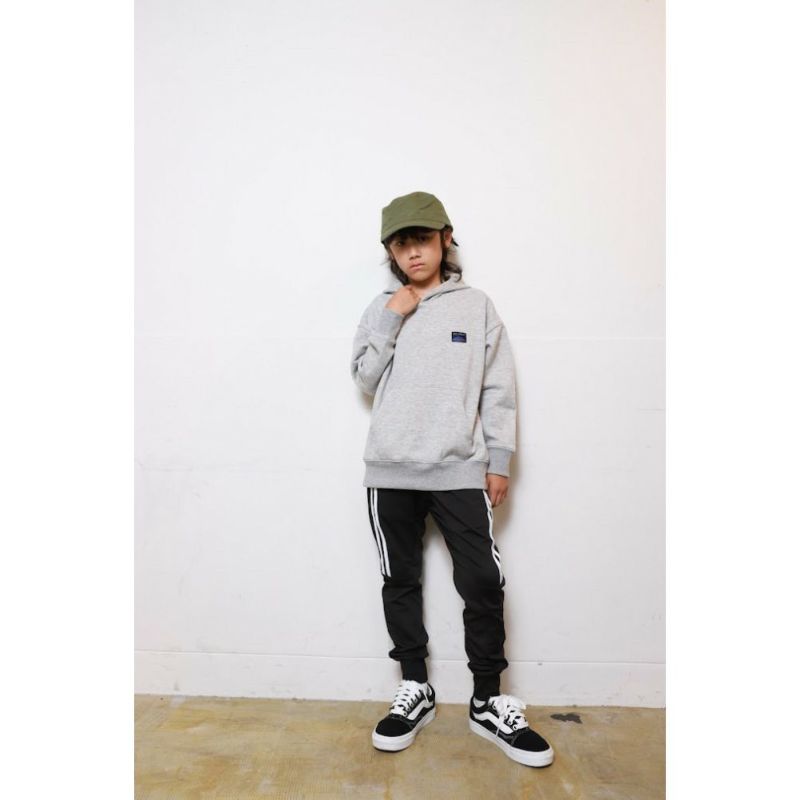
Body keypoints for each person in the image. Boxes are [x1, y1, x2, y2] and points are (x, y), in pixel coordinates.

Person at [350, 191, 554, 768]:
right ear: (391, 252)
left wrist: (499, 460)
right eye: (401, 244)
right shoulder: (381, 307)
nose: (413, 252)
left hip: (460, 467)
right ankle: (414, 686)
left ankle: (487, 700)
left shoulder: (477, 306)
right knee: (400, 579)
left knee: (483, 580)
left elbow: (498, 387)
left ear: (444, 239)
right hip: (391, 469)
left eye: (422, 240)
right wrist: (393, 316)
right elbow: (364, 377)